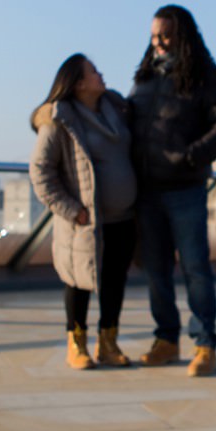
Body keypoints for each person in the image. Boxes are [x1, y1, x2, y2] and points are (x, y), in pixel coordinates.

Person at [128, 4, 216, 377]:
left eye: (166, 35)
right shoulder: (144, 80)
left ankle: (205, 343)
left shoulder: (211, 78)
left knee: (195, 268)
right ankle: (166, 339)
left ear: (183, 36)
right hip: (147, 189)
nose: (158, 43)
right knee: (156, 271)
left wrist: (190, 157)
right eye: (154, 36)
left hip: (185, 189)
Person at [29, 54, 138, 370]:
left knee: (114, 280)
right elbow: (40, 171)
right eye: (93, 71)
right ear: (77, 83)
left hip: (123, 217)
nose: (101, 74)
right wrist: (72, 210)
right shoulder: (58, 118)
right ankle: (76, 343)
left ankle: (108, 342)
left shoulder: (116, 109)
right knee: (78, 280)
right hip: (85, 221)